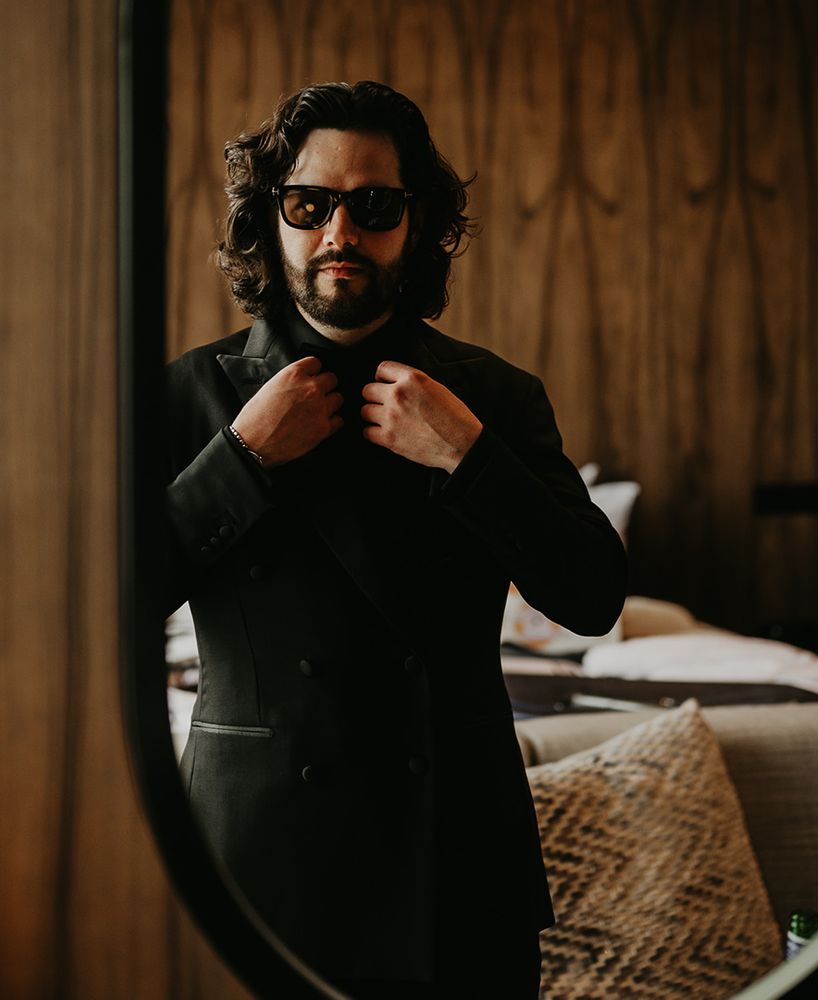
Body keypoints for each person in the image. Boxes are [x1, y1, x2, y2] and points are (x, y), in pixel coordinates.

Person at [165, 80, 626, 999]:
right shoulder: (191, 396)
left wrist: (469, 454)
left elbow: (593, 598)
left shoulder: (493, 398)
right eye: (309, 203)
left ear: (416, 225)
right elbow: (103, 606)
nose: (340, 234)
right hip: (254, 864)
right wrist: (245, 455)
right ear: (274, 219)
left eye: (373, 205)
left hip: (453, 862)